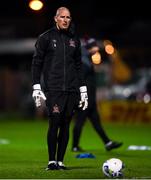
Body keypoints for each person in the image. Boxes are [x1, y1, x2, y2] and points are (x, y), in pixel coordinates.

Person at [31, 7, 88, 170]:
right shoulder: (46, 37)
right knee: (54, 122)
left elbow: (78, 66)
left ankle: (61, 161)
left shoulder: (74, 40)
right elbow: (36, 63)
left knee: (66, 124)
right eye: (62, 17)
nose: (65, 20)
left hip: (71, 89)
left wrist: (83, 89)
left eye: (68, 17)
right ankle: (51, 161)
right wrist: (36, 86)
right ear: (55, 18)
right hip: (53, 89)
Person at [72, 38, 123, 152]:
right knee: (80, 122)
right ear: (90, 47)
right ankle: (75, 146)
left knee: (95, 122)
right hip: (85, 98)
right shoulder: (83, 61)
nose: (96, 49)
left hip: (90, 98)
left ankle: (107, 143)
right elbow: (79, 80)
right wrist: (82, 97)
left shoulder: (86, 59)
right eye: (94, 46)